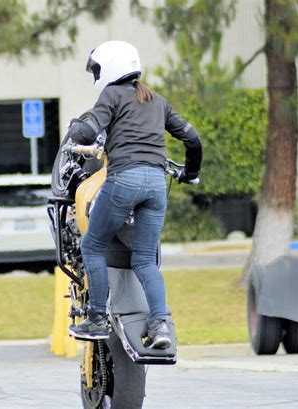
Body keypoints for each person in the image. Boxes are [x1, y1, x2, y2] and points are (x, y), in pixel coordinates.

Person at [67, 41, 202, 349]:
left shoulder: (111, 94)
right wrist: (191, 173)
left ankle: (97, 318)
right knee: (144, 259)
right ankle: (160, 325)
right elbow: (192, 139)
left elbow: (89, 131)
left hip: (124, 180)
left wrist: (76, 130)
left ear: (110, 67)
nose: (96, 76)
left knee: (93, 245)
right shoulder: (157, 100)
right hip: (156, 185)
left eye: (97, 70)